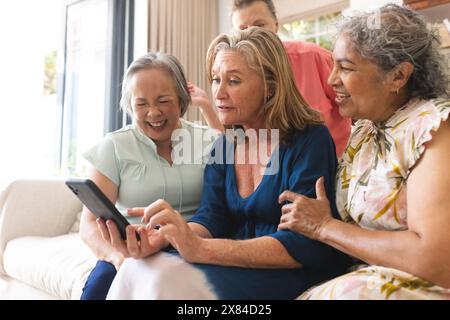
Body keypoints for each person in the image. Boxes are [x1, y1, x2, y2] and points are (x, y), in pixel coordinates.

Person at [103, 27, 351, 300]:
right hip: (236, 263)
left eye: (233, 81)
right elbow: (212, 217)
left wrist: (199, 248)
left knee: (165, 279)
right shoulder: (226, 144)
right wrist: (165, 236)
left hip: (292, 271)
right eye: (215, 79)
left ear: (270, 86)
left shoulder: (309, 140)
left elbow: (302, 243)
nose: (218, 93)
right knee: (134, 268)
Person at [277, 4, 450, 300]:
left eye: (346, 67)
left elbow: (435, 261)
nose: (332, 79)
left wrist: (325, 226)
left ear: (398, 75)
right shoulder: (364, 129)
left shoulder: (434, 128)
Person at [79, 52, 218, 299]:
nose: (153, 113)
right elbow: (89, 225)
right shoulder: (114, 145)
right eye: (141, 104)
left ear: (181, 99)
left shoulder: (209, 140)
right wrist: (119, 259)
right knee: (98, 289)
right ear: (130, 106)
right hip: (130, 249)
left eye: (163, 101)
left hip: (193, 244)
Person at [190, 0, 351, 157]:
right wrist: (206, 106)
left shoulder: (315, 58)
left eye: (259, 25)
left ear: (276, 24)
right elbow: (233, 144)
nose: (253, 34)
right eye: (243, 29)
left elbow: (360, 107)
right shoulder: (234, 82)